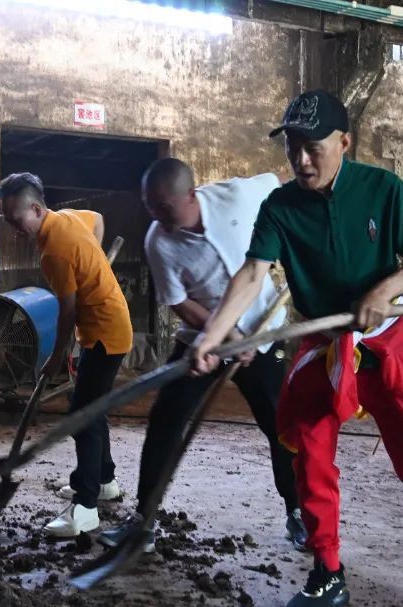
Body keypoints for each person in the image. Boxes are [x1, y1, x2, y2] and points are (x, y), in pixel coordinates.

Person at [190, 90, 403, 607]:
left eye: (312, 147)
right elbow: (252, 273)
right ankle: (326, 569)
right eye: (292, 146)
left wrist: (383, 292)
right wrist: (212, 335)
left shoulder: (383, 189)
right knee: (306, 449)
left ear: (344, 142)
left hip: (387, 342)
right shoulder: (279, 205)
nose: (300, 159)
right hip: (321, 340)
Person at [96, 158, 307, 555]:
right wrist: (226, 335)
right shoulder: (158, 240)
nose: (155, 215)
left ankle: (298, 511)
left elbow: (283, 183)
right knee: (165, 417)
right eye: (149, 207)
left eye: (163, 206)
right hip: (202, 336)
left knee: (282, 425)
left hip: (263, 333)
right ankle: (144, 519)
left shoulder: (239, 196)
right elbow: (178, 301)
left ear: (191, 195)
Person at [0, 172, 133, 538]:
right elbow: (99, 221)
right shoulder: (69, 217)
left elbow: (68, 312)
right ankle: (104, 482)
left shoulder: (54, 252)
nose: (14, 229)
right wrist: (93, 264)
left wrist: (55, 357)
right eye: (8, 221)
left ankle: (85, 509)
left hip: (104, 331)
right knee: (90, 405)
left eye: (17, 219)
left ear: (37, 208)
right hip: (109, 325)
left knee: (82, 416)